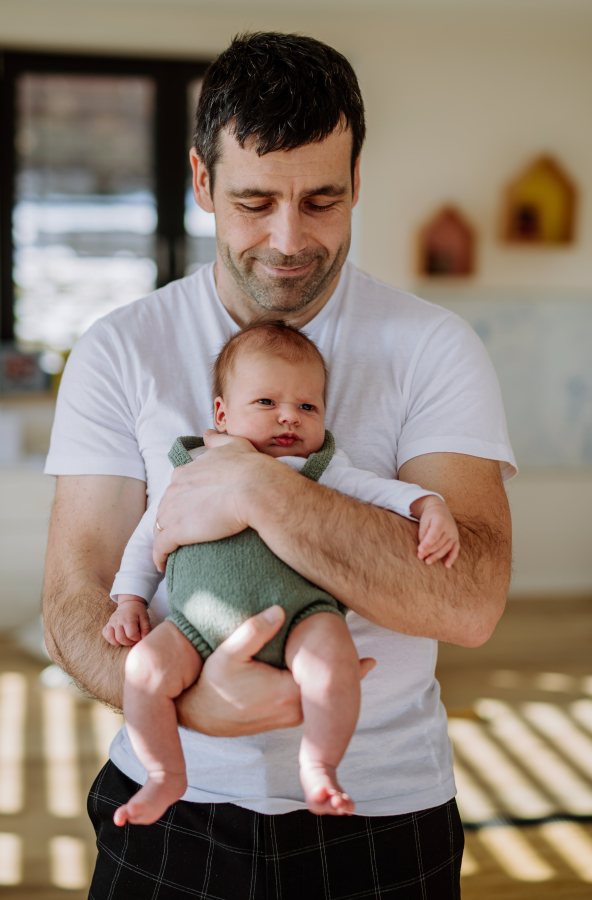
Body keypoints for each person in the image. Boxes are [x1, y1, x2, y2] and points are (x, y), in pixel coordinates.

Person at [43, 31, 516, 899]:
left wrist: (261, 489)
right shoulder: (121, 350)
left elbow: (471, 598)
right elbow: (76, 602)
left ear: (358, 184)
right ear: (201, 183)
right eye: (256, 201)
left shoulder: (434, 350)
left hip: (381, 814)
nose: (290, 240)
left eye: (323, 201)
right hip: (168, 810)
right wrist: (192, 707)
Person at [103, 321, 460, 825]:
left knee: (334, 660)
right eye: (267, 403)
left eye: (307, 407)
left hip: (304, 617)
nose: (289, 417)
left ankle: (319, 764)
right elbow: (148, 538)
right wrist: (130, 600)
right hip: (193, 628)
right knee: (143, 671)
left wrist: (430, 506)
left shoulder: (322, 469)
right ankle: (165, 774)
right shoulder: (190, 469)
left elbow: (382, 492)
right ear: (222, 415)